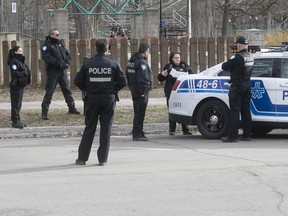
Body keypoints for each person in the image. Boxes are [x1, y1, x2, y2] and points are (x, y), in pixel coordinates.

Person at [74, 39, 127, 166]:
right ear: (107, 48)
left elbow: (77, 80)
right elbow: (123, 81)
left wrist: (87, 89)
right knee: (105, 129)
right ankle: (102, 159)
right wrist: (113, 90)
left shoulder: (88, 64)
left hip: (91, 99)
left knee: (89, 128)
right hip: (108, 99)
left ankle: (82, 158)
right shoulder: (113, 63)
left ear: (95, 48)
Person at [41, 28, 80, 120]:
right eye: (56, 34)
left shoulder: (60, 44)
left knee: (67, 90)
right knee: (49, 92)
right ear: (51, 35)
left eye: (59, 34)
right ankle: (44, 112)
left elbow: (67, 54)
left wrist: (67, 63)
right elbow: (47, 58)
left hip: (62, 71)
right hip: (53, 71)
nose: (58, 36)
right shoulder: (46, 46)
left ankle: (72, 108)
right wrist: (59, 64)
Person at [221, 36, 254, 142]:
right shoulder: (250, 56)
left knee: (234, 111)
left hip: (237, 87)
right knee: (245, 111)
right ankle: (247, 135)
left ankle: (232, 136)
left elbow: (224, 67)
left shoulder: (237, 57)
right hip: (247, 85)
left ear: (239, 45)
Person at [157, 52, 193, 135]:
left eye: (179, 57)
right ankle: (172, 130)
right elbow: (160, 78)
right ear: (172, 59)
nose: (178, 59)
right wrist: (162, 75)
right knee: (172, 109)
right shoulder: (169, 67)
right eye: (176, 57)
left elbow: (192, 75)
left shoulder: (184, 66)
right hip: (171, 91)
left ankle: (185, 129)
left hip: (183, 92)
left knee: (184, 109)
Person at [126, 43, 153, 141]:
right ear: (145, 51)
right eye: (148, 51)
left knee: (137, 112)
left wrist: (132, 88)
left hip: (135, 91)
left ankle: (138, 131)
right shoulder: (141, 63)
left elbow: (127, 77)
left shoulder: (131, 62)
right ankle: (137, 133)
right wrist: (143, 92)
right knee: (140, 113)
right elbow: (142, 79)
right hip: (141, 92)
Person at [8, 46, 31, 129]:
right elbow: (15, 73)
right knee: (15, 103)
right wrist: (24, 73)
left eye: (21, 51)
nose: (21, 52)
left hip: (21, 85)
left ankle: (18, 120)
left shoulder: (20, 61)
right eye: (20, 51)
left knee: (19, 103)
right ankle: (15, 121)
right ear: (15, 52)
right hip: (16, 85)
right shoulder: (14, 62)